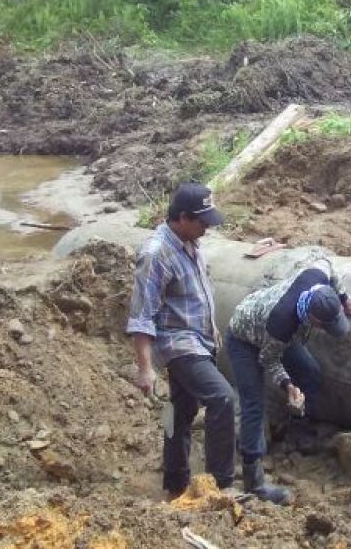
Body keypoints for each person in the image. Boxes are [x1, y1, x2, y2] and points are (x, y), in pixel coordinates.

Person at [126, 183, 236, 499]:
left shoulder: (188, 241)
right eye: (202, 222)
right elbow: (142, 315)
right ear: (183, 218)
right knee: (222, 398)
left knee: (180, 412)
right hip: (180, 345)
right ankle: (221, 484)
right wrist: (145, 369)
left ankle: (175, 482)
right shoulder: (156, 254)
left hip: (201, 341)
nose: (207, 228)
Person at [226, 262, 351, 503]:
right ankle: (253, 479)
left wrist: (343, 298)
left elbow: (331, 267)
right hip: (244, 338)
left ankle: (297, 432)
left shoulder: (318, 276)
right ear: (312, 318)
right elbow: (268, 358)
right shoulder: (281, 322)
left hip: (283, 336)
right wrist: (288, 385)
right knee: (254, 404)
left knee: (310, 373)